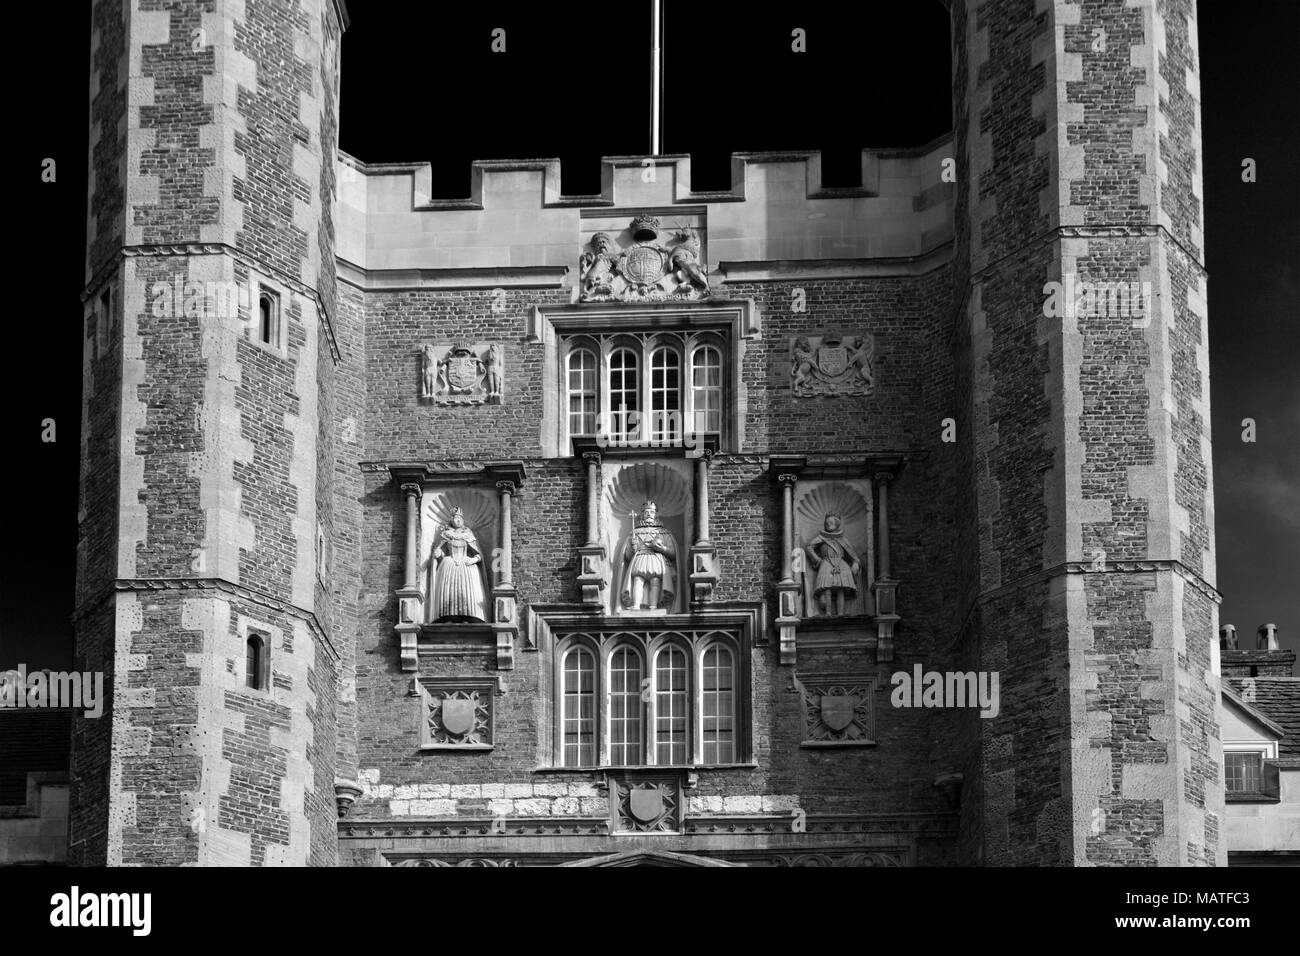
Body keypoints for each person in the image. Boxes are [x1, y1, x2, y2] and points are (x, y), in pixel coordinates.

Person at [429, 508, 488, 622]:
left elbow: (479, 554)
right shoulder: (445, 534)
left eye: (460, 518)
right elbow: (440, 553)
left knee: (467, 591)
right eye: (456, 518)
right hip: (448, 564)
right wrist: (439, 554)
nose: (458, 521)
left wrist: (473, 560)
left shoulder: (468, 534)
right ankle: (447, 615)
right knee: (449, 590)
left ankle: (469, 615)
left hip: (466, 565)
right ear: (451, 520)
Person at [806, 513, 861, 617]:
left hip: (841, 564)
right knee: (827, 587)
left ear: (837, 524)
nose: (828, 525)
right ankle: (828, 612)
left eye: (830, 523)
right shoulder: (821, 538)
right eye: (827, 523)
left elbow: (853, 556)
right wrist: (817, 559)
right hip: (826, 563)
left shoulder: (843, 540)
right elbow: (809, 547)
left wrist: (855, 564)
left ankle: (841, 613)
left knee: (841, 588)